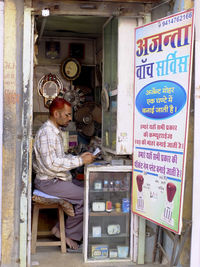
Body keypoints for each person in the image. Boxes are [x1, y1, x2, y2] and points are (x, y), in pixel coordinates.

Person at [33, 97, 95, 251]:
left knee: (89, 188)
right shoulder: (47, 133)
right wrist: (80, 162)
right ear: (56, 114)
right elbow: (52, 164)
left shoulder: (55, 132)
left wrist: (79, 157)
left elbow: (60, 158)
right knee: (87, 196)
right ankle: (68, 234)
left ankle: (59, 229)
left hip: (57, 179)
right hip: (49, 182)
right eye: (67, 115)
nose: (70, 118)